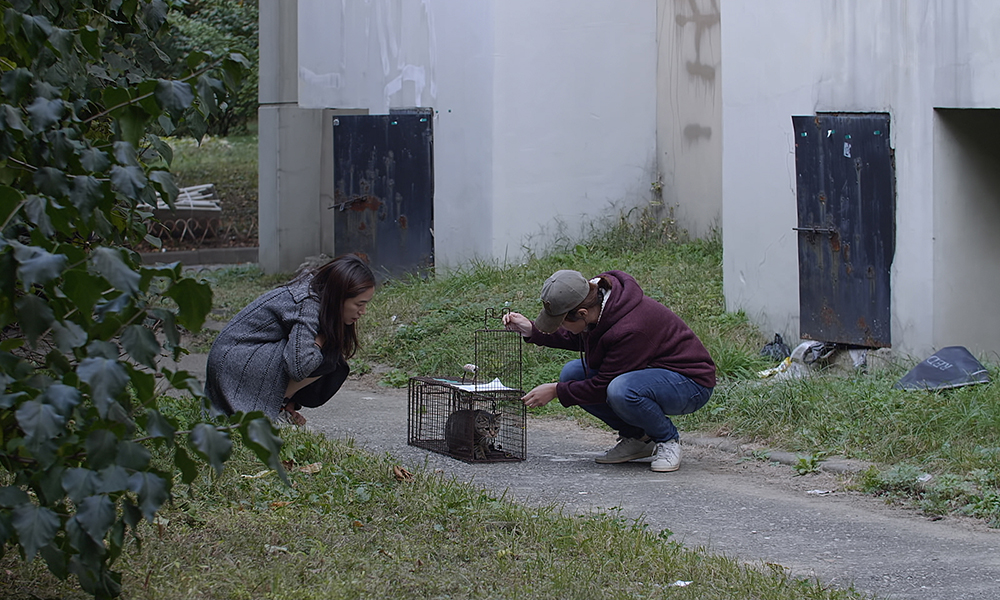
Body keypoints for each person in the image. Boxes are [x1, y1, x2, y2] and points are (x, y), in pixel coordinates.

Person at [502, 269, 715, 472]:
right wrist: (532, 330)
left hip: (689, 383)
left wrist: (556, 391)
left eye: (561, 323)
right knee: (572, 373)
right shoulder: (596, 302)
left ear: (582, 313)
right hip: (648, 371)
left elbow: (602, 386)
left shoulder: (630, 327)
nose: (559, 327)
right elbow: (580, 335)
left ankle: (667, 440)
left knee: (621, 390)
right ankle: (639, 438)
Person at [205, 254, 376, 425]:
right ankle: (268, 411)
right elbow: (299, 366)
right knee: (322, 354)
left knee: (331, 359)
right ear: (339, 297)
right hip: (233, 363)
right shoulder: (308, 303)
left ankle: (283, 406)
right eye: (359, 304)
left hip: (237, 359)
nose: (363, 311)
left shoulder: (317, 293)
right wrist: (319, 341)